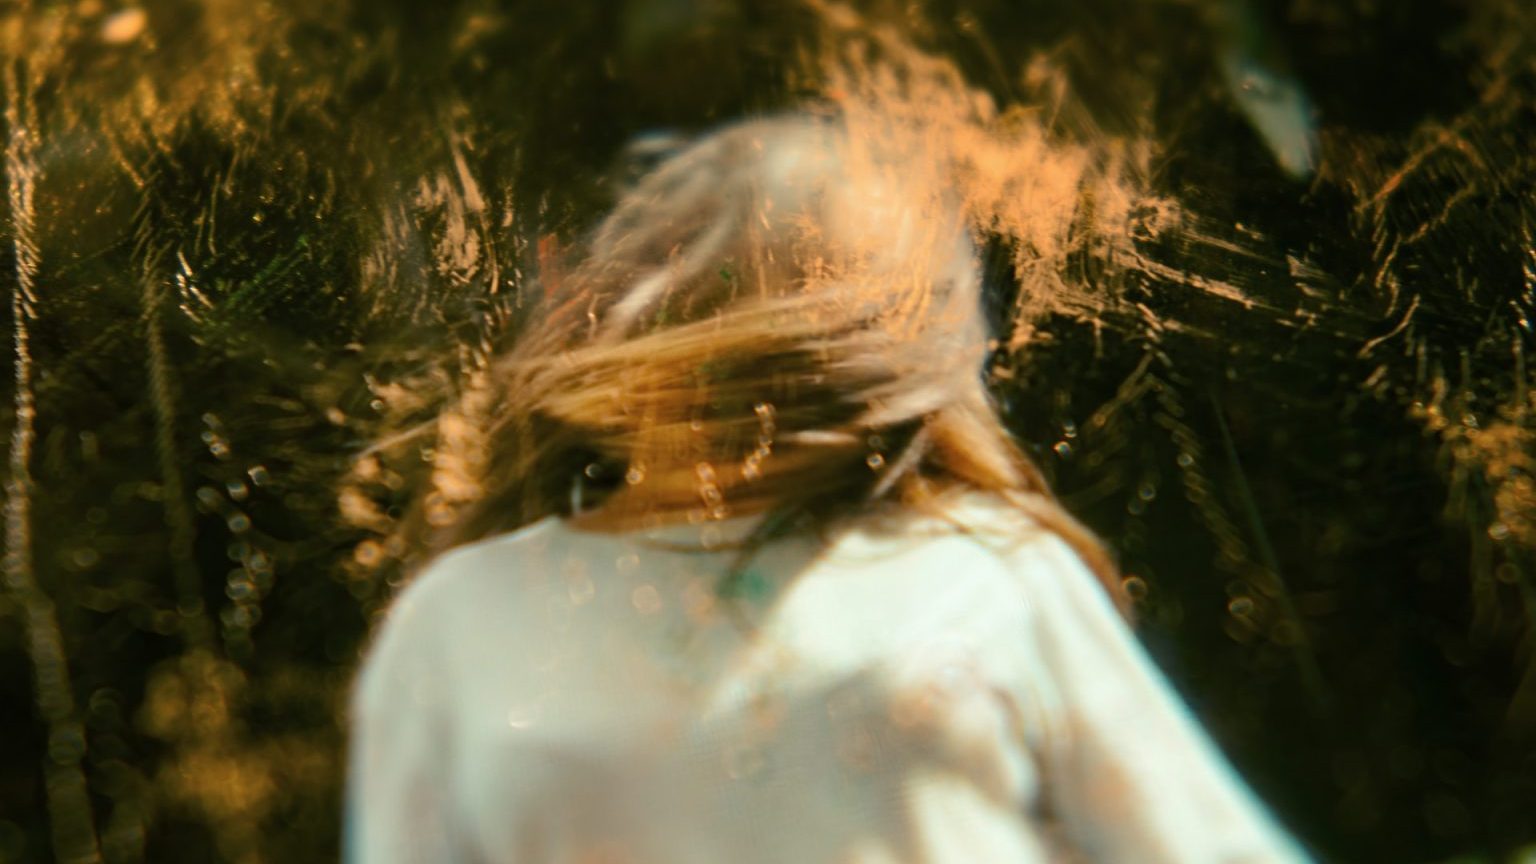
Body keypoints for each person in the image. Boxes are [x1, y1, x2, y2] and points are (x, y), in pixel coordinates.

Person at [344, 112, 1312, 863]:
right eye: (713, 325)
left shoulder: (991, 573)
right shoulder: (459, 618)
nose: (733, 387)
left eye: (776, 338)